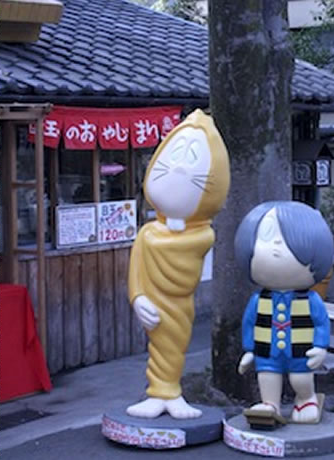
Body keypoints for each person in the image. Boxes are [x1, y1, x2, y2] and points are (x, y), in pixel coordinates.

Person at [126, 110, 230, 420]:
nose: (182, 166)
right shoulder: (147, 234)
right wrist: (138, 297)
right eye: (175, 153)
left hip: (180, 304)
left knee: (177, 340)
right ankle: (158, 392)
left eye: (193, 157)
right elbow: (136, 272)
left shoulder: (201, 235)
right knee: (158, 344)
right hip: (153, 302)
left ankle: (169, 390)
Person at [235, 201, 334, 426]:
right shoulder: (259, 300)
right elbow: (249, 323)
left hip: (301, 351)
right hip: (266, 351)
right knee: (267, 376)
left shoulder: (310, 300)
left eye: (288, 240)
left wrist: (320, 347)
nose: (277, 244)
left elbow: (321, 323)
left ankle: (306, 399)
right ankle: (270, 404)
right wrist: (249, 350)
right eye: (268, 235)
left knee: (301, 378)